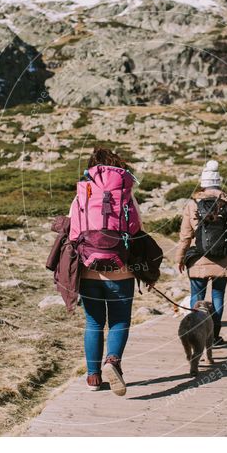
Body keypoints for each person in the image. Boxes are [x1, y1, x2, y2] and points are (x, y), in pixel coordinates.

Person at [67, 147, 142, 396]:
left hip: (89, 269)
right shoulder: (125, 194)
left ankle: (93, 377)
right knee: (120, 320)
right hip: (120, 269)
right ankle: (112, 361)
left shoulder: (83, 193)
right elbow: (136, 228)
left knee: (94, 322)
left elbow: (74, 232)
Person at [175, 160, 227, 345]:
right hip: (223, 257)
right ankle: (214, 337)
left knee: (198, 297)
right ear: (218, 182)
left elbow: (185, 236)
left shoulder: (193, 203)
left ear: (203, 183)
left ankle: (197, 335)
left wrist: (180, 258)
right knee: (218, 296)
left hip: (198, 259)